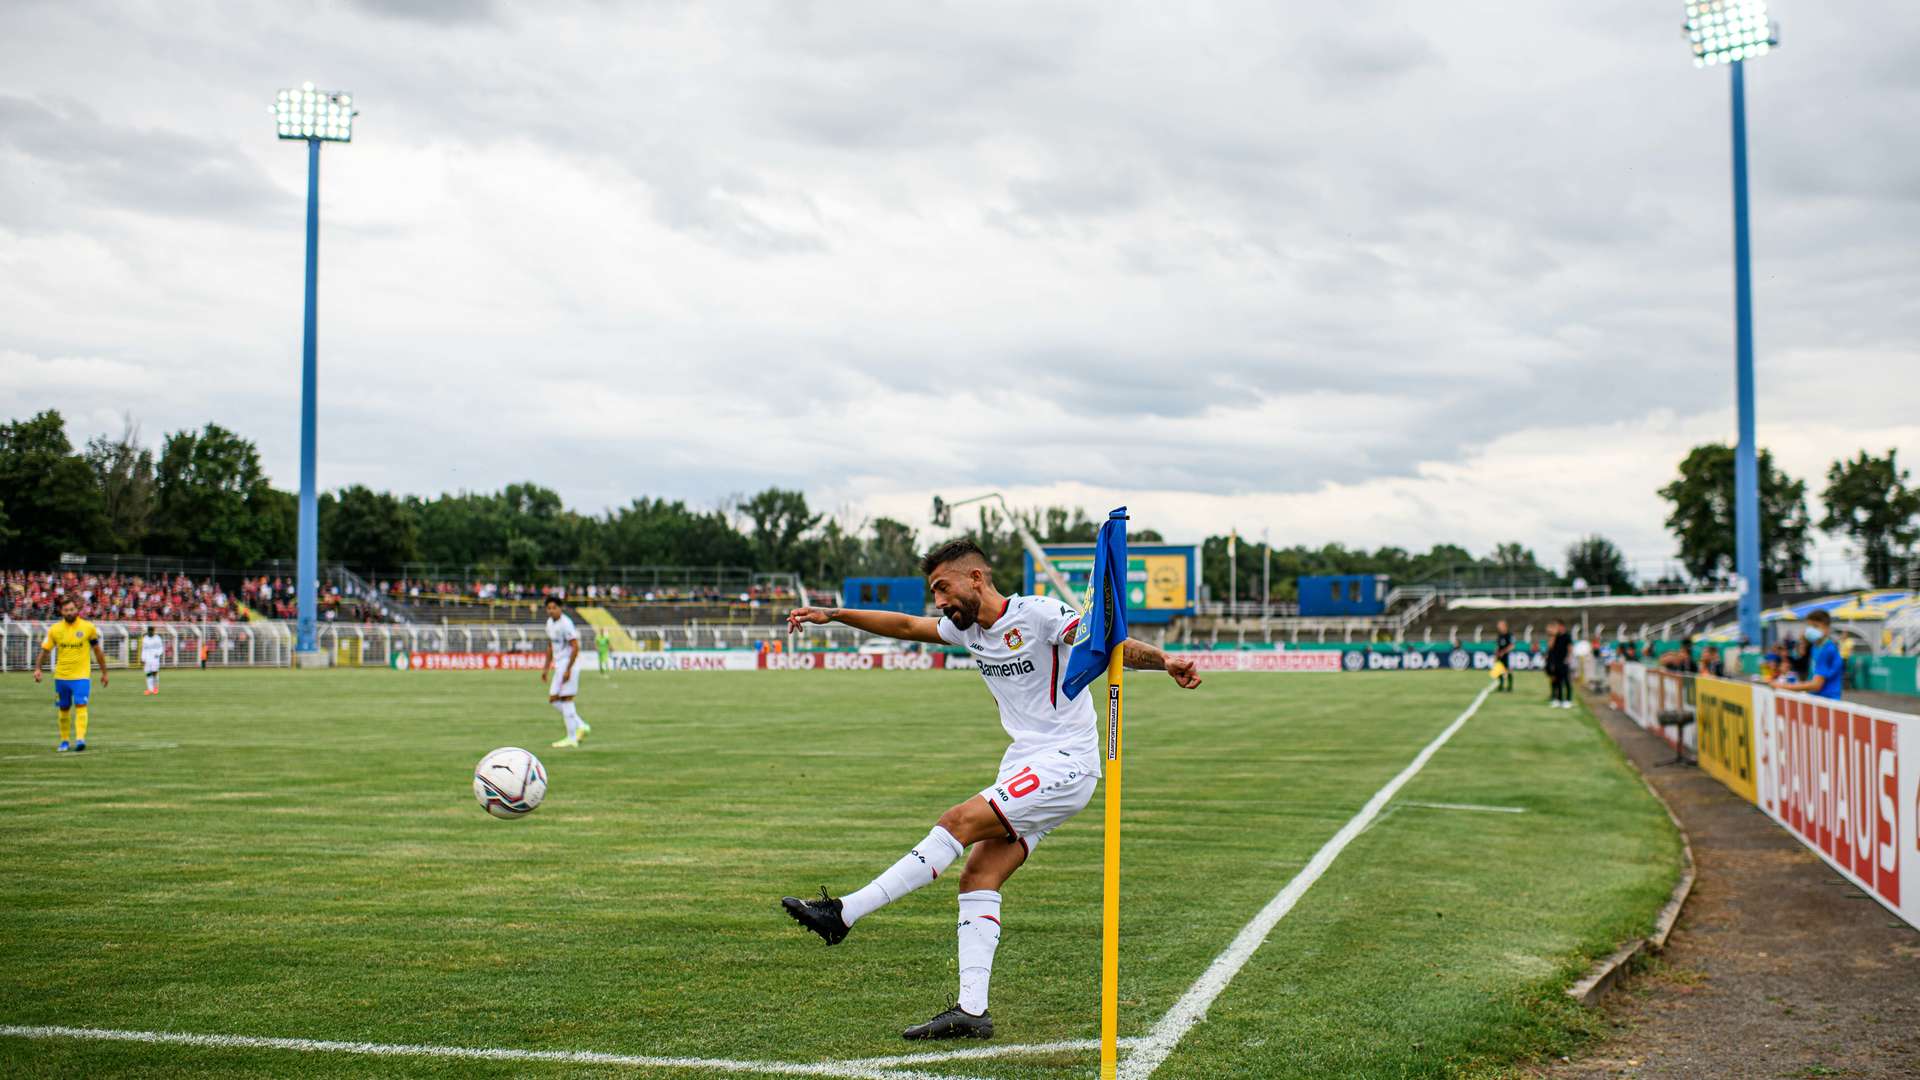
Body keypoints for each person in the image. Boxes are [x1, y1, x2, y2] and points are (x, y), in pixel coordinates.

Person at [779, 539, 1202, 1040]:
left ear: (976, 578)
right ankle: (972, 1011)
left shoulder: (1039, 615)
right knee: (977, 877)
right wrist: (833, 614)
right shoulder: (968, 629)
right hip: (1023, 765)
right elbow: (906, 626)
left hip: (1067, 763)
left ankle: (844, 913)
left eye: (943, 588)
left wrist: (1164, 660)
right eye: (934, 592)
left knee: (956, 821)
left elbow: (1106, 645)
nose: (939, 601)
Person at [33, 596, 109, 752]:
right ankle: (64, 741)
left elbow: (97, 651)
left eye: (72, 609)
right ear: (61, 611)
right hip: (61, 677)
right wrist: (38, 669)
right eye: (66, 610)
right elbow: (45, 651)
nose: (69, 612)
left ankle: (80, 739)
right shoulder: (55, 629)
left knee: (81, 705)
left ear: (77, 610)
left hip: (81, 676)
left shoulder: (88, 628)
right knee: (64, 709)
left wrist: (104, 672)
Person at [542, 595, 592, 748]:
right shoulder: (549, 623)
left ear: (560, 608)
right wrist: (546, 668)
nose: (551, 611)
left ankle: (572, 737)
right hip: (559, 664)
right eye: (549, 608)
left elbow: (575, 646)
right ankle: (581, 725)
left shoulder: (566, 624)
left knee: (566, 699)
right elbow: (550, 646)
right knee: (554, 699)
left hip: (569, 663)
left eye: (554, 608)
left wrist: (569, 669)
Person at [1772, 610, 1844, 700]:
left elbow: (1816, 685)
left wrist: (1783, 686)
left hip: (1827, 699)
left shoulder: (1828, 649)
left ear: (1827, 629)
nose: (1811, 630)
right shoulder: (1815, 646)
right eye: (1809, 626)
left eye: (1815, 626)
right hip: (1815, 697)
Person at [1545, 619, 1573, 708]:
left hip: (1564, 661)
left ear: (1561, 626)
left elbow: (1570, 647)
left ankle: (1568, 700)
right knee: (1558, 681)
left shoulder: (1567, 636)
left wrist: (1568, 658)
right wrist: (1553, 635)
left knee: (1566, 681)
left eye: (1557, 626)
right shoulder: (1556, 637)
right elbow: (1550, 646)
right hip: (1556, 662)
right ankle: (1559, 699)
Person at [140, 626, 165, 695]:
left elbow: (161, 648)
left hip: (155, 658)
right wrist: (142, 658)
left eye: (152, 631)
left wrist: (158, 654)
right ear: (148, 631)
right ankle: (149, 689)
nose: (150, 632)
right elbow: (144, 649)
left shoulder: (157, 638)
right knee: (148, 673)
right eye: (149, 631)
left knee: (154, 673)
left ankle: (155, 688)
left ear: (154, 631)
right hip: (147, 658)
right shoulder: (145, 638)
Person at [1493, 620, 1515, 693]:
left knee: (1509, 671)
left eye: (1500, 625)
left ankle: (1510, 687)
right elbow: (1497, 646)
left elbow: (1512, 646)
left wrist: (1504, 652)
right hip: (1500, 656)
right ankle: (1501, 686)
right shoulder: (1499, 635)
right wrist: (1496, 655)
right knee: (1498, 671)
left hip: (1507, 656)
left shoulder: (1509, 635)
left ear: (1504, 626)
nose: (1498, 627)